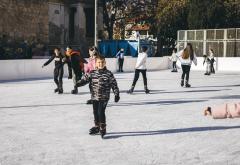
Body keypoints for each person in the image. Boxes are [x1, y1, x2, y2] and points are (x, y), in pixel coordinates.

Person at [76, 56, 120, 138]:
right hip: (94, 97)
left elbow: (114, 84)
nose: (100, 64)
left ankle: (103, 128)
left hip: (104, 97)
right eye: (99, 62)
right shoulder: (92, 73)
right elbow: (85, 79)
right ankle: (97, 126)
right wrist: (79, 83)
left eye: (102, 62)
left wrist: (116, 94)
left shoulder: (108, 73)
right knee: (95, 112)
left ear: (105, 63)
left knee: (101, 112)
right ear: (96, 63)